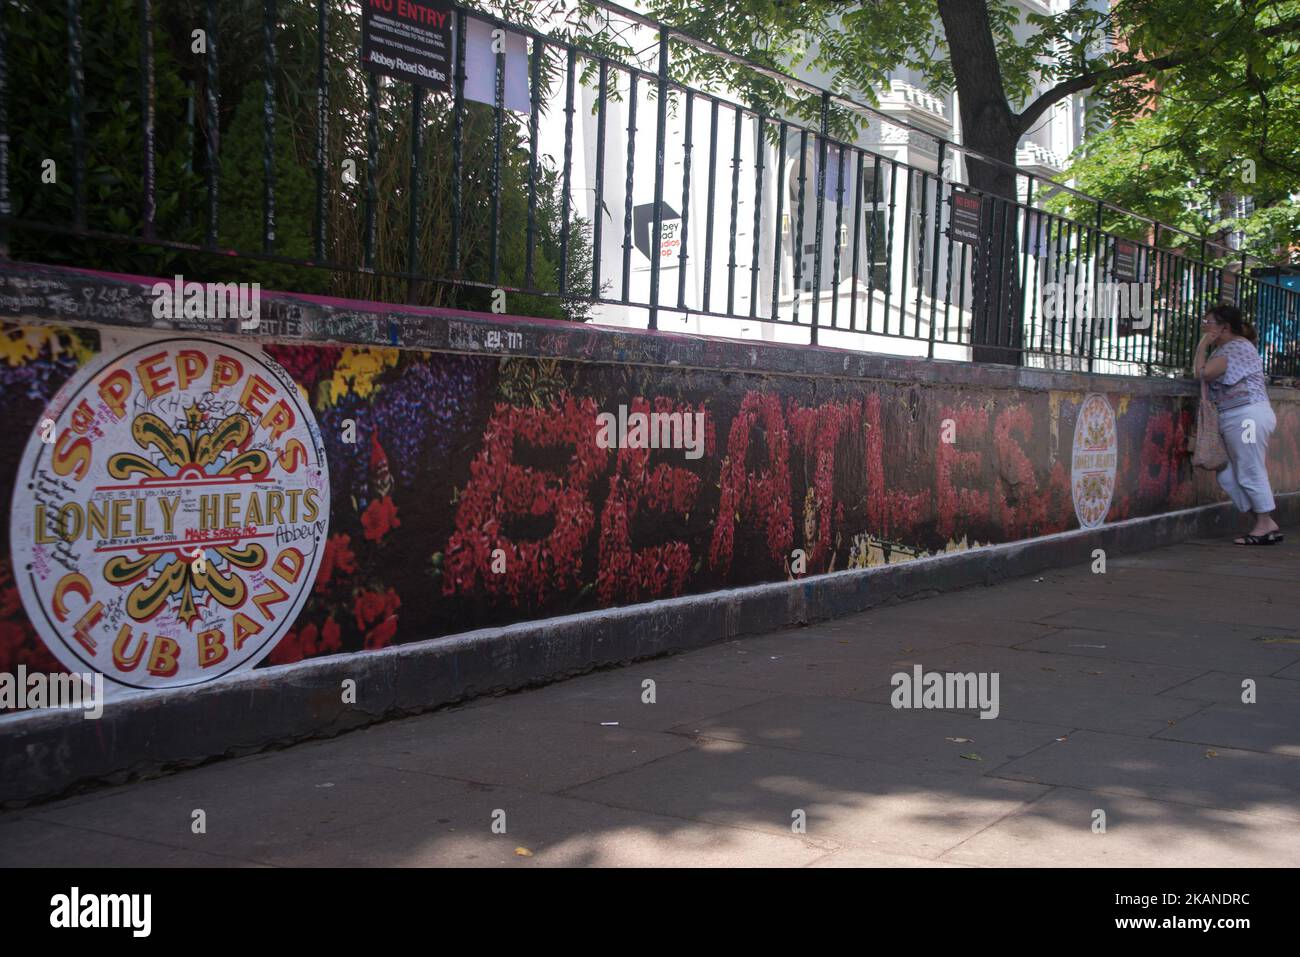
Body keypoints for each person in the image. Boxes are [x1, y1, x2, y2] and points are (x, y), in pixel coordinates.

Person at [1193, 304, 1282, 545]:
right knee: (1227, 473)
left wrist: (1202, 345)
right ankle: (1264, 520)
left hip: (1247, 416)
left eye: (1208, 322)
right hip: (1235, 416)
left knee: (1249, 468)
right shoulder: (1224, 349)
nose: (1204, 325)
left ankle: (1263, 523)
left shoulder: (1236, 348)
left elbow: (1203, 374)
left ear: (1224, 327)